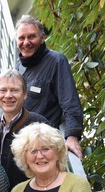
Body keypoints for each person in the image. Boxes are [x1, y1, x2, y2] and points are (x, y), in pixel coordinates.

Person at [15, 15, 83, 159]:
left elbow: (70, 102)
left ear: (42, 38)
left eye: (31, 37)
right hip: (22, 145)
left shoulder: (57, 61)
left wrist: (71, 136)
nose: (26, 42)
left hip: (44, 148)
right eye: (21, 38)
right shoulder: (18, 67)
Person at [0, 69, 48, 190]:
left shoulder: (39, 125)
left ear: (25, 94)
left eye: (14, 90)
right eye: (3, 90)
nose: (8, 95)